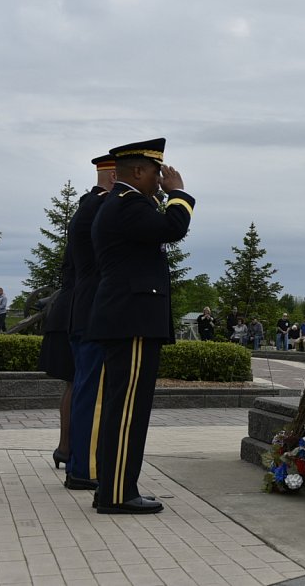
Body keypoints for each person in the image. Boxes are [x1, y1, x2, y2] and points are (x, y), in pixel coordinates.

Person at [85, 138, 194, 515]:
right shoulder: (128, 204)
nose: (160, 178)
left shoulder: (125, 204)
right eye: (155, 171)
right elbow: (173, 227)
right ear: (137, 171)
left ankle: (115, 488)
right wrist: (180, 194)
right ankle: (117, 493)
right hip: (130, 319)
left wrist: (166, 195)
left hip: (128, 317)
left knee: (124, 406)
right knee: (127, 409)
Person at [65, 153, 116, 491]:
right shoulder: (101, 208)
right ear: (115, 177)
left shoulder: (88, 205)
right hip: (96, 312)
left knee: (87, 389)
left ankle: (81, 463)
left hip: (85, 309)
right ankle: (88, 468)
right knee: (95, 395)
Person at [37, 237, 77, 470]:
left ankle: (65, 447)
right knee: (76, 384)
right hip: (72, 316)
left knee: (73, 385)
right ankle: (66, 447)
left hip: (64, 313)